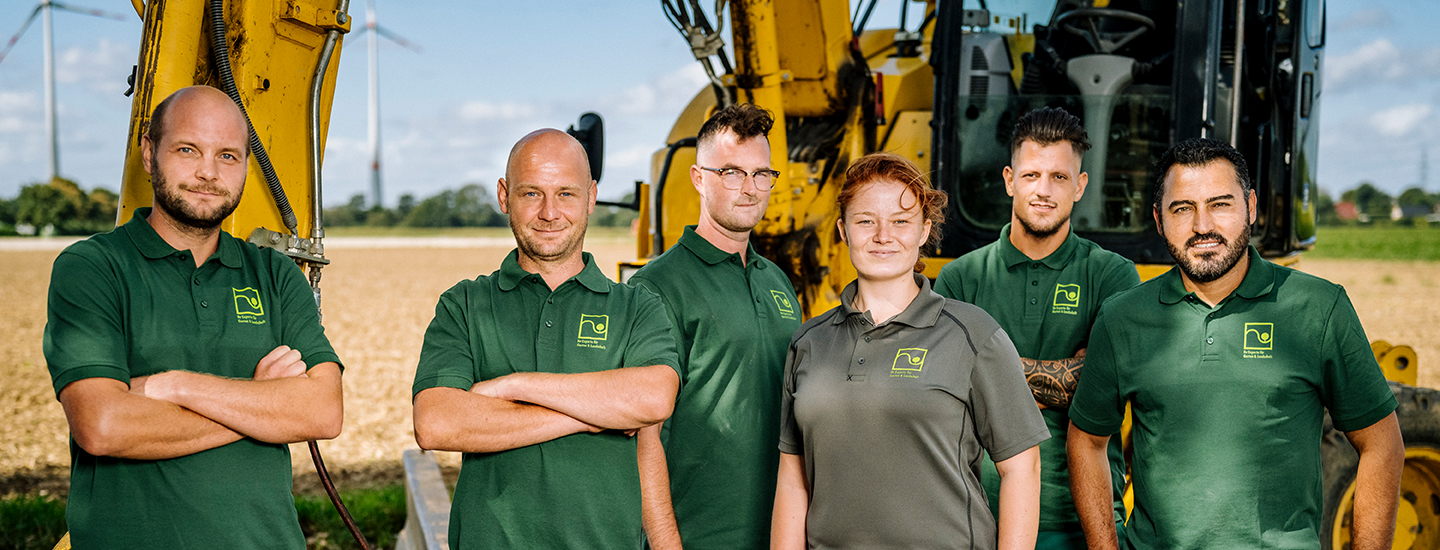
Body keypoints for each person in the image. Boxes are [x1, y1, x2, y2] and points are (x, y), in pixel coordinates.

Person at [42, 85, 344, 549]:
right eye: (188, 149)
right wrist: (261, 404)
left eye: (228, 155)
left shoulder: (276, 274)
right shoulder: (93, 268)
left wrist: (178, 385)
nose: (208, 172)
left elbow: (321, 411)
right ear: (149, 153)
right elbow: (102, 426)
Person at [1067, 138, 1405, 550]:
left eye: (1220, 204)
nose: (1202, 225)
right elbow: (1086, 440)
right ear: (1158, 219)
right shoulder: (1121, 318)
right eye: (1182, 208)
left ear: (1252, 208)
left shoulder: (1319, 307)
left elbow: (1382, 442)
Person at [410, 129, 682, 549]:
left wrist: (515, 385)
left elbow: (653, 402)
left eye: (567, 194)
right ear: (504, 196)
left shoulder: (635, 306)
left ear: (591, 197)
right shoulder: (465, 304)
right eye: (532, 194)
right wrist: (593, 416)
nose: (550, 213)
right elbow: (436, 423)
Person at [771, 152, 1047, 550]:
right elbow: (792, 477)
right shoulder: (808, 343)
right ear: (843, 231)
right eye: (866, 221)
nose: (883, 235)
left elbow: (1022, 467)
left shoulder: (973, 334)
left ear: (923, 232)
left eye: (901, 221)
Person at [934, 107, 1138, 547]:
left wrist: (988, 374)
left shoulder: (1112, 275)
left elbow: (1098, 388)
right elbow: (946, 394)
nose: (1043, 191)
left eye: (1059, 177)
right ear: (1010, 180)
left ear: (1080, 186)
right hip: (975, 519)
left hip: (1081, 521)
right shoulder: (960, 278)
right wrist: (1062, 373)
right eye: (1031, 176)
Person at [628, 103, 801, 550]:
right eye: (731, 172)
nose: (750, 189)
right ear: (698, 178)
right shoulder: (656, 286)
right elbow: (642, 437)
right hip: (698, 536)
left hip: (779, 534)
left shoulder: (777, 281)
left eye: (761, 174)